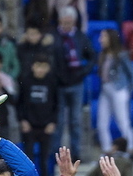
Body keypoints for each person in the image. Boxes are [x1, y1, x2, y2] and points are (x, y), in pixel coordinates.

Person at [51, 6, 94, 161]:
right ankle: (56, 155)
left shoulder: (81, 37)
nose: (67, 24)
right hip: (58, 85)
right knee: (59, 121)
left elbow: (92, 57)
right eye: (65, 21)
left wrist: (83, 72)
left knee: (75, 120)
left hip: (76, 83)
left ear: (74, 21)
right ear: (60, 21)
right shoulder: (54, 36)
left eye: (70, 22)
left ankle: (76, 154)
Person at [17, 53, 58, 176]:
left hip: (46, 126)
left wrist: (53, 122)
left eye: (44, 67)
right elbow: (20, 102)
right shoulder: (26, 80)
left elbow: (57, 104)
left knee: (45, 160)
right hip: (29, 125)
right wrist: (22, 120)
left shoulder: (52, 81)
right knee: (28, 160)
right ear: (33, 67)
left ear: (48, 68)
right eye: (38, 66)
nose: (40, 70)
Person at [95, 29, 133, 155]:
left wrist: (128, 89)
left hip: (119, 89)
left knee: (122, 121)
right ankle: (107, 150)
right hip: (106, 90)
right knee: (102, 122)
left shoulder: (121, 54)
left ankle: (129, 149)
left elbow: (132, 73)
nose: (100, 40)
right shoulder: (103, 54)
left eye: (103, 37)